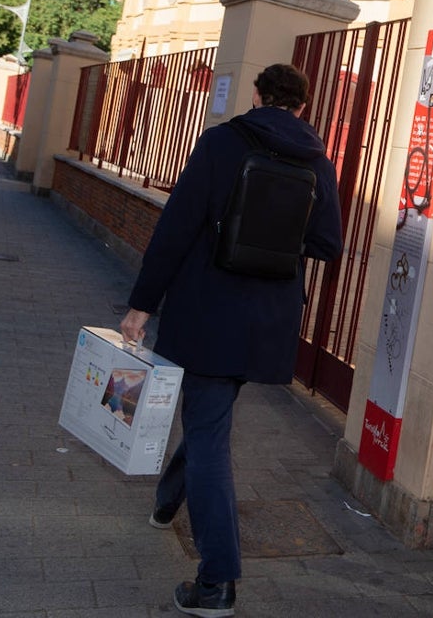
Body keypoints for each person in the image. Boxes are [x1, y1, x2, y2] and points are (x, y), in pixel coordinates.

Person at [119, 64, 342, 618]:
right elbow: (326, 243)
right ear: (301, 106)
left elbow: (176, 228)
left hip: (208, 313)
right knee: (209, 418)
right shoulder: (317, 162)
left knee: (210, 437)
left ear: (258, 95)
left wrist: (141, 305)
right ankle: (168, 502)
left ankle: (216, 582)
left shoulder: (222, 143)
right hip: (269, 322)